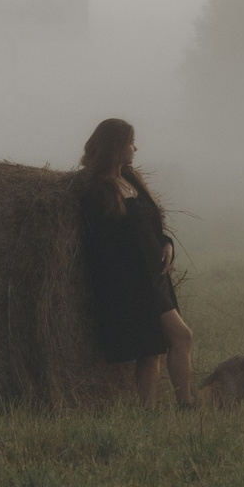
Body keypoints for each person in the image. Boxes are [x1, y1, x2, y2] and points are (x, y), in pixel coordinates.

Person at [76, 117, 194, 407]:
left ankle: (149, 411)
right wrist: (129, 279)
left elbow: (150, 226)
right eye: (130, 142)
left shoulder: (130, 179)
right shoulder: (94, 190)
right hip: (132, 282)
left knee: (151, 349)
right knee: (181, 336)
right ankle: (186, 405)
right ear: (115, 147)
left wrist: (167, 243)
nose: (135, 148)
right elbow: (100, 245)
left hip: (155, 276)